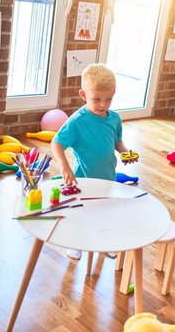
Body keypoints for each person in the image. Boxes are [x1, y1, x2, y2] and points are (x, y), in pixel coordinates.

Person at [51, 63, 134, 259]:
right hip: (83, 179)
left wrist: (125, 152)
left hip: (108, 177)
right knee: (80, 213)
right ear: (83, 94)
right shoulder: (77, 121)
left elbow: (117, 141)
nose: (103, 105)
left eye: (108, 99)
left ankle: (104, 242)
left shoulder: (114, 119)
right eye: (96, 99)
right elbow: (56, 143)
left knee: (106, 211)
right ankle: (75, 243)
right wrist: (64, 166)